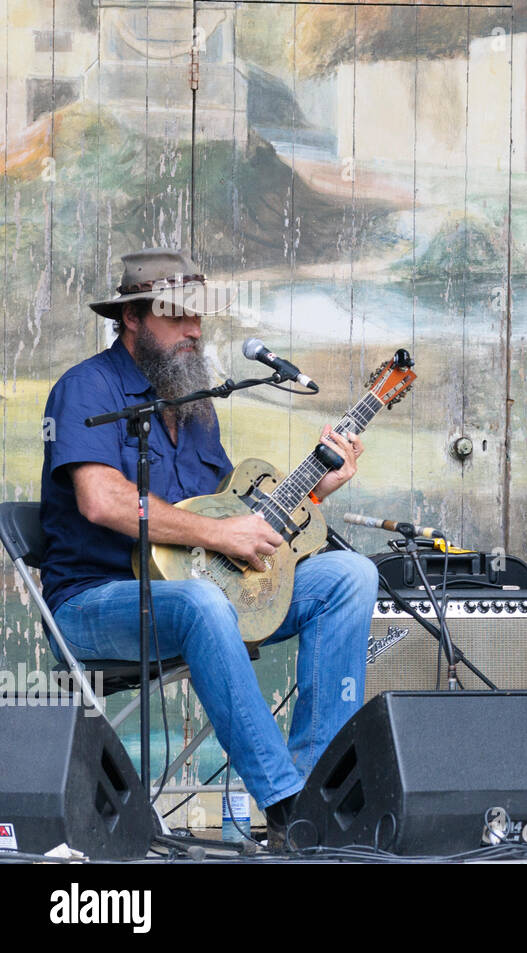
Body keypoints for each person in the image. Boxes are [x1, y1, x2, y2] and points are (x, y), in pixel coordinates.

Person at [39, 248, 378, 848]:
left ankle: (314, 793)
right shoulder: (85, 388)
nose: (194, 329)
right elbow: (100, 501)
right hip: (95, 604)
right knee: (201, 603)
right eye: (177, 316)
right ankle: (284, 803)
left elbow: (229, 513)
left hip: (201, 591)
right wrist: (221, 535)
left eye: (199, 317)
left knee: (348, 575)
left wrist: (315, 490)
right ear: (133, 318)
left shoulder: (194, 404)